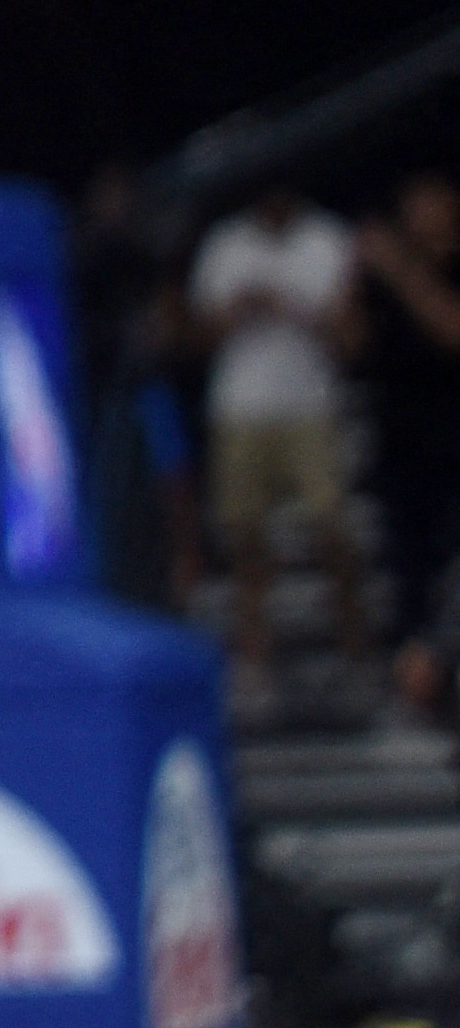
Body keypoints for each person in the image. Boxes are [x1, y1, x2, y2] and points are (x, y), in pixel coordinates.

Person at [192, 182, 367, 694]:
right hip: (240, 408)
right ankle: (255, 654)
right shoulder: (225, 244)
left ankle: (354, 643)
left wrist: (293, 309)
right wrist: (238, 311)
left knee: (331, 527)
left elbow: (353, 339)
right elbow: (196, 338)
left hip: (309, 406)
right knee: (245, 536)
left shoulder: (328, 239)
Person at [361, 173, 460, 709]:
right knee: (411, 577)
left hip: (455, 452)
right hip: (401, 447)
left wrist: (399, 269)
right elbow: (352, 345)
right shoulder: (380, 277)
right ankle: (417, 684)